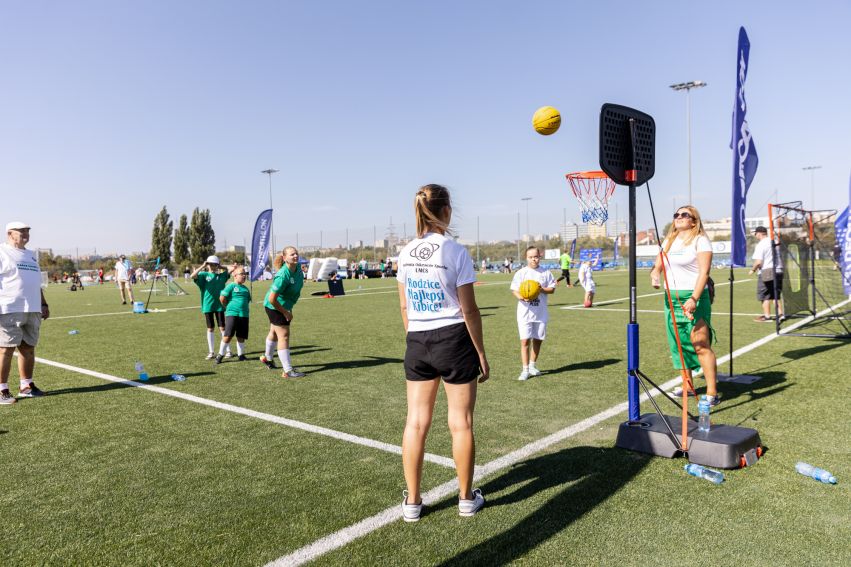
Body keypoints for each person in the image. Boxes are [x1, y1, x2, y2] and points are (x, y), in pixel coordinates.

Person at [396, 184, 489, 522]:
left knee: (416, 423)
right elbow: (470, 311)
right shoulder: (455, 251)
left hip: (417, 339)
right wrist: (480, 352)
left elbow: (404, 306)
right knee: (461, 423)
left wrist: (416, 339)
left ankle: (413, 503)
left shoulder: (405, 253)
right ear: (446, 211)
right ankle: (466, 498)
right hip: (453, 339)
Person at [650, 206, 719, 405]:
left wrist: (694, 299)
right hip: (670, 299)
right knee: (679, 345)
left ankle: (712, 393)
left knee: (700, 344)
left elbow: (704, 273)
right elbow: (658, 266)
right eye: (676, 215)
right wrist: (655, 274)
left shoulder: (700, 240)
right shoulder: (669, 240)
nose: (679, 217)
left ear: (694, 221)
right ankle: (687, 386)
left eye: (684, 215)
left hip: (694, 297)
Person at [0, 221, 50, 404]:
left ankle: (26, 386)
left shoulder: (31, 255)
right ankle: (1, 389)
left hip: (32, 308)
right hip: (9, 308)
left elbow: (36, 283)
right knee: (5, 349)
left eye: (27, 231)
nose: (26, 234)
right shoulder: (2, 252)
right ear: (9, 234)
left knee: (28, 348)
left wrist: (43, 304)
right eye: (21, 231)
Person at [510, 246, 556, 381]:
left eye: (536, 256)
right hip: (525, 312)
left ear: (539, 257)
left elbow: (552, 289)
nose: (533, 259)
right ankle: (525, 370)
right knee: (525, 341)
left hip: (540, 312)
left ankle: (532, 365)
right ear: (526, 258)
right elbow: (514, 289)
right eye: (530, 257)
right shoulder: (521, 273)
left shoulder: (546, 272)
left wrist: (541, 289)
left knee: (538, 339)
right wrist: (521, 297)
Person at [261, 247, 306, 377]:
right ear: (284, 257)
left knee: (274, 333)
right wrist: (285, 312)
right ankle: (288, 371)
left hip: (284, 305)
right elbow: (272, 299)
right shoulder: (282, 275)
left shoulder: (298, 269)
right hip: (275, 306)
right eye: (292, 254)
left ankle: (267, 358)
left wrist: (289, 307)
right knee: (284, 336)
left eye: (296, 253)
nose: (295, 256)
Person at [190, 256, 233, 360]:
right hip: (208, 305)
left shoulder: (222, 276)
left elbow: (231, 269)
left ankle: (228, 351)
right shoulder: (204, 275)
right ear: (208, 264)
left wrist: (221, 266)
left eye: (215, 264)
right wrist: (203, 266)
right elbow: (192, 276)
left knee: (222, 328)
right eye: (211, 264)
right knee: (210, 328)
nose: (213, 266)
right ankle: (211, 352)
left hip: (220, 306)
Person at [749, 226, 785, 322]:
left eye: (756, 233)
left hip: (767, 271)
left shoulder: (761, 244)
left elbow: (758, 262)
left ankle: (767, 316)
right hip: (779, 270)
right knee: (775, 295)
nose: (755, 235)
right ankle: (781, 314)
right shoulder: (775, 241)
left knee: (764, 295)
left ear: (759, 233)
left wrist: (752, 270)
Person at [216, 267, 251, 363]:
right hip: (232, 314)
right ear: (235, 276)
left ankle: (241, 355)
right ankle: (220, 355)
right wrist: (228, 307)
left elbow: (247, 300)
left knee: (241, 336)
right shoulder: (231, 286)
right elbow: (222, 298)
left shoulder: (245, 289)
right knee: (228, 335)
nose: (244, 276)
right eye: (242, 274)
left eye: (245, 274)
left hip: (244, 315)